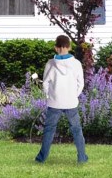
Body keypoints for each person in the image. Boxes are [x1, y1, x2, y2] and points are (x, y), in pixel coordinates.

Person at [35, 34, 87, 164]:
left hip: (54, 103)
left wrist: (50, 96)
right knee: (76, 130)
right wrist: (73, 95)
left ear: (55, 48)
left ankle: (41, 158)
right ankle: (82, 157)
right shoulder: (76, 64)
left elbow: (45, 83)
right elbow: (81, 84)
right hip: (71, 103)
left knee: (49, 130)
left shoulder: (50, 64)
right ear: (69, 47)